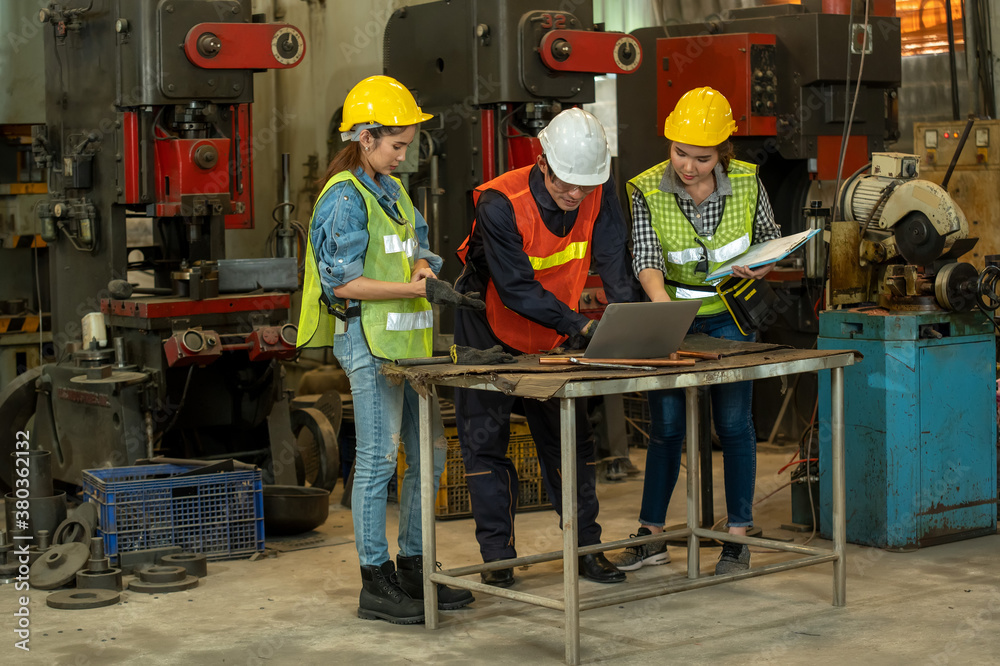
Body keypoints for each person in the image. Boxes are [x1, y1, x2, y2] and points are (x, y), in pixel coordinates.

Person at [297, 75, 482, 623]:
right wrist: (414, 287)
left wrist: (425, 266)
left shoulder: (393, 190)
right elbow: (342, 283)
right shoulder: (343, 199)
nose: (404, 155)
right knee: (377, 462)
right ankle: (374, 582)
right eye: (396, 144)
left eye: (407, 144)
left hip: (408, 344)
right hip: (368, 344)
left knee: (429, 455)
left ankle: (414, 568)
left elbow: (418, 243)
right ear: (366, 137)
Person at [453, 108, 639, 587]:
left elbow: (615, 261)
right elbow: (515, 289)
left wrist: (631, 326)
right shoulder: (499, 202)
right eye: (564, 184)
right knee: (485, 444)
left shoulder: (597, 189)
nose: (575, 195)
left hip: (554, 330)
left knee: (570, 442)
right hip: (488, 328)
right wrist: (581, 325)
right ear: (541, 162)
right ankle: (498, 558)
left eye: (585, 185)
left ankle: (586, 548)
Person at [611, 87, 781, 575]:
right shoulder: (645, 188)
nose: (687, 166)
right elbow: (645, 257)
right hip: (672, 313)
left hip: (730, 314)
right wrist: (664, 314)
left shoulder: (748, 182)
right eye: (679, 153)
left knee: (733, 423)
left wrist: (759, 267)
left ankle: (737, 537)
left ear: (723, 153)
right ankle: (651, 536)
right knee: (665, 427)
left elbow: (769, 238)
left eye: (701, 159)